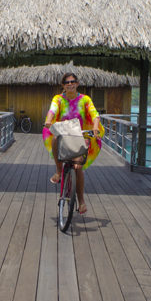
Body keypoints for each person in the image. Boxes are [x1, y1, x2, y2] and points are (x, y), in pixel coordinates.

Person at [42, 72, 103, 215]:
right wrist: (49, 120)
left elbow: (95, 115)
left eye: (73, 81)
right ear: (63, 85)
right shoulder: (58, 99)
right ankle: (58, 171)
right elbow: (52, 110)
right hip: (63, 133)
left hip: (80, 135)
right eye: (67, 82)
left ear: (77, 84)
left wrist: (95, 127)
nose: (70, 84)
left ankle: (81, 201)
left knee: (77, 167)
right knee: (56, 138)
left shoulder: (85, 100)